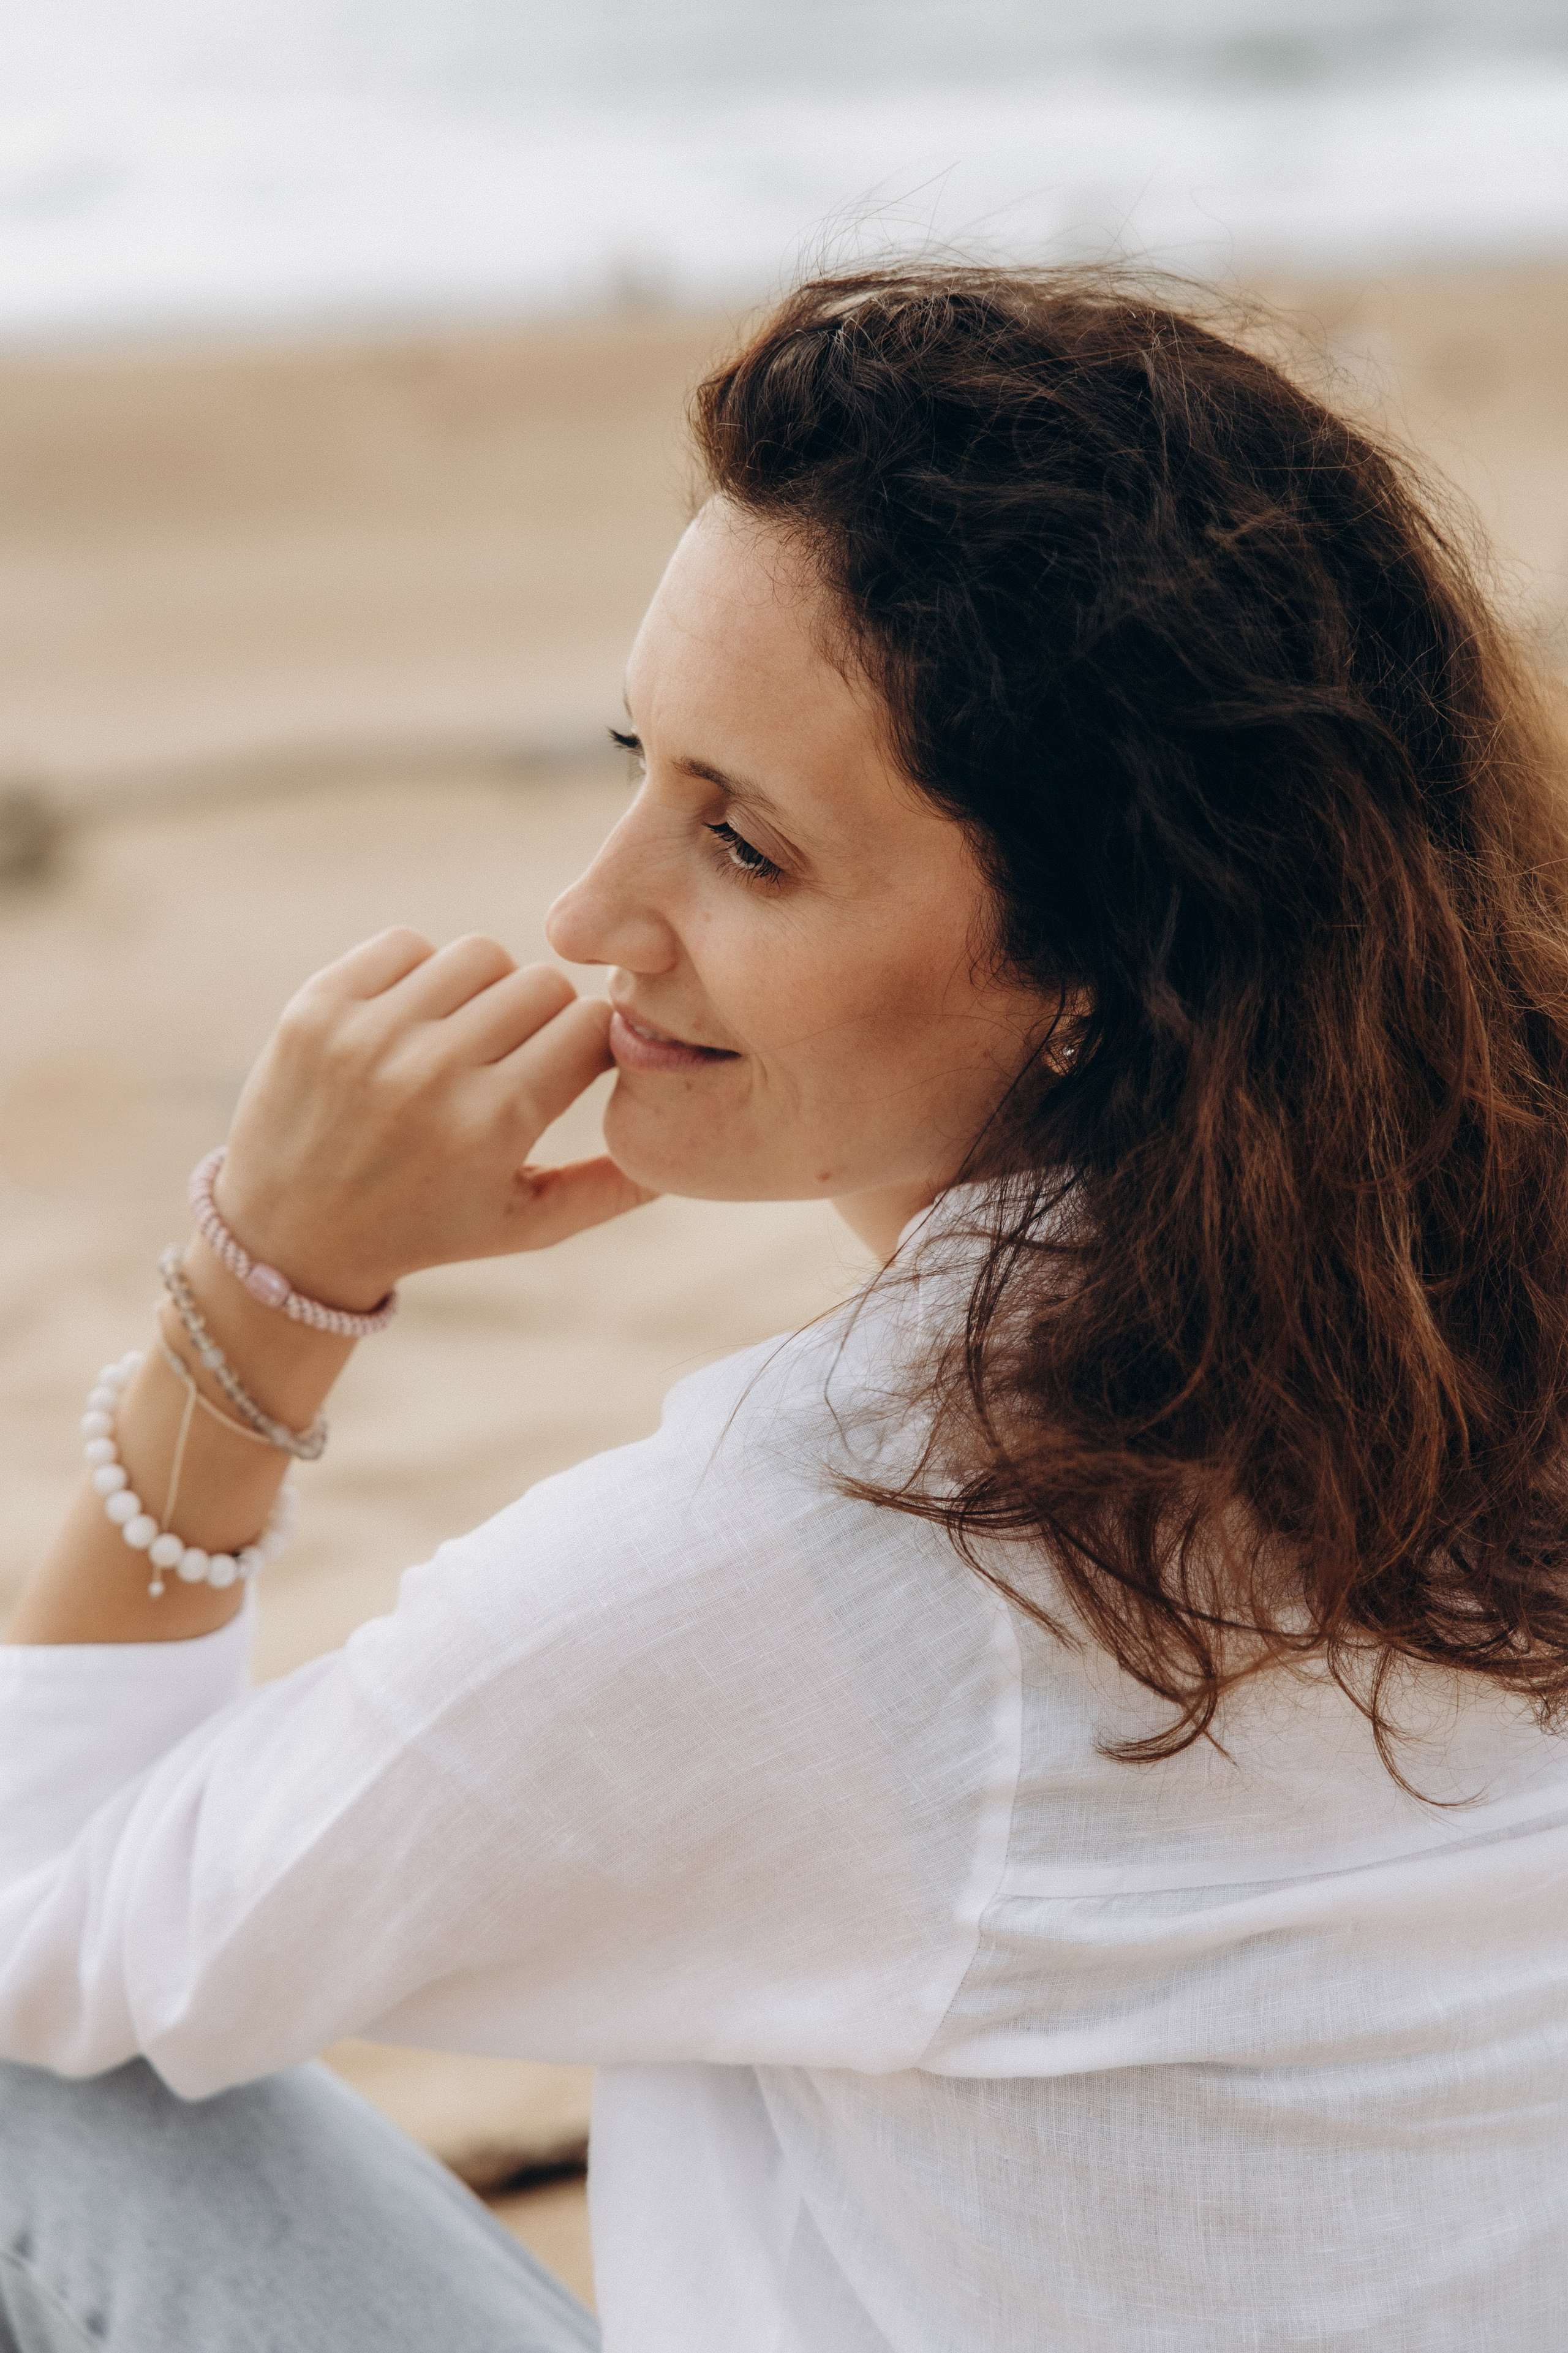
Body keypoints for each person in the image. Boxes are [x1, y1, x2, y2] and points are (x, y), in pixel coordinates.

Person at [3, 263, 1568, 2353]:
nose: (589, 915)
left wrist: (267, 1285)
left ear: (1094, 963)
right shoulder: (1479, 1301)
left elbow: (41, 1926)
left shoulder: (879, 1541)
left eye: (742, 843)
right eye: (638, 757)